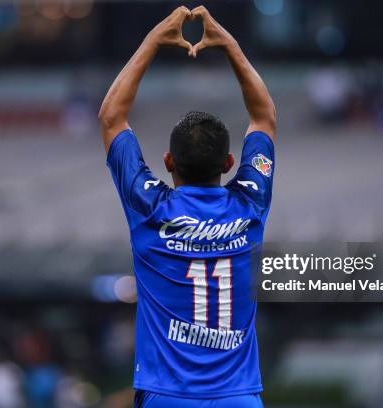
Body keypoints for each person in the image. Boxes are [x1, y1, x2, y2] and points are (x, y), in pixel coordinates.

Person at [98, 6, 276, 408]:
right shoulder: (249, 205)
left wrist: (153, 40)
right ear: (230, 165)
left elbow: (112, 118)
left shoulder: (150, 207)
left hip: (167, 397)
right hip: (240, 399)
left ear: (168, 162)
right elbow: (263, 118)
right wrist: (229, 45)